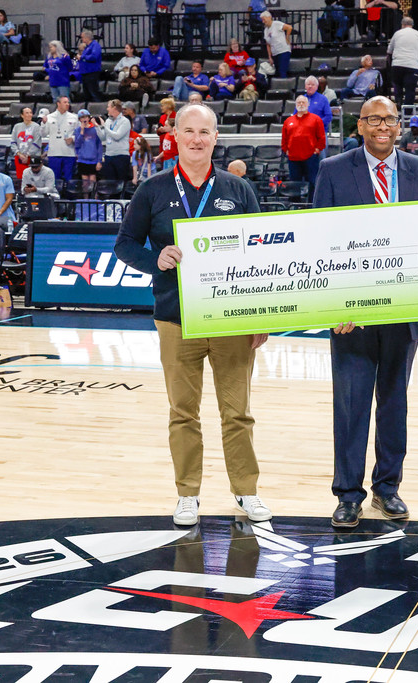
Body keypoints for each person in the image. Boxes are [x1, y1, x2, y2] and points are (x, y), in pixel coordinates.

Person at [114, 103, 269, 527]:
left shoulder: (238, 189)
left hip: (232, 319)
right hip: (175, 317)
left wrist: (261, 317)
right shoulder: (153, 189)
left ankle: (246, 490)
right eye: (189, 131)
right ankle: (187, 494)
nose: (196, 139)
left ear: (216, 137)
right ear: (175, 136)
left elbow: (261, 254)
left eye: (204, 132)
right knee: (183, 413)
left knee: (237, 413)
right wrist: (155, 259)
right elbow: (124, 244)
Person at [311, 96, 418, 528]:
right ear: (360, 126)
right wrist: (333, 305)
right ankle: (348, 494)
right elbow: (318, 239)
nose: (382, 126)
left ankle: (388, 487)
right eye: (373, 119)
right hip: (351, 314)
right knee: (350, 405)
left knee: (394, 404)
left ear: (399, 125)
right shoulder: (333, 170)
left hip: (405, 309)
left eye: (389, 119)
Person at [386, 17, 418, 110]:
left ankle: (398, 102)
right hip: (412, 65)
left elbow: (389, 50)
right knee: (410, 90)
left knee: (397, 86)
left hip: (397, 64)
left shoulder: (397, 34)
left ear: (402, 24)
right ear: (412, 25)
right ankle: (407, 112)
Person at [281, 94, 324, 183]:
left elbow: (321, 137)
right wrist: (286, 150)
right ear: (295, 104)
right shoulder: (288, 121)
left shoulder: (316, 119)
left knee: (312, 182)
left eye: (303, 102)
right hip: (293, 158)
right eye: (299, 102)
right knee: (294, 183)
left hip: (311, 157)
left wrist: (317, 149)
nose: (301, 104)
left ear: (308, 104)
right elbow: (284, 138)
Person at [43, 96, 79, 184]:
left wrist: (73, 139)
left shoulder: (74, 117)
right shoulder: (49, 117)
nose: (67, 104)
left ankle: (69, 193)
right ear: (58, 104)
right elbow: (43, 133)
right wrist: (43, 123)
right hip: (54, 152)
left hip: (69, 153)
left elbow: (79, 134)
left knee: (69, 179)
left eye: (68, 102)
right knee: (55, 179)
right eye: (65, 102)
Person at [98, 99, 132, 182]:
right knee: (110, 182)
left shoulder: (125, 121)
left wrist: (104, 127)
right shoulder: (108, 121)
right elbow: (102, 137)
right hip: (109, 155)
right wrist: (98, 127)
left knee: (121, 182)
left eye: (108, 107)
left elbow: (117, 136)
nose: (107, 109)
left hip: (121, 156)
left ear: (114, 108)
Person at [11, 106, 43, 182]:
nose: (29, 115)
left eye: (30, 113)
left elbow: (37, 142)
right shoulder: (17, 126)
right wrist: (19, 154)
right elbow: (13, 142)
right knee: (21, 179)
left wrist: (27, 155)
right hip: (19, 157)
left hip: (33, 157)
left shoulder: (36, 126)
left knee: (33, 179)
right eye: (27, 113)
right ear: (22, 115)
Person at [74, 108, 103, 190]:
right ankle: (85, 197)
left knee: (93, 182)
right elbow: (77, 144)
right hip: (82, 160)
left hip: (93, 160)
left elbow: (99, 146)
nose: (84, 119)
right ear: (79, 119)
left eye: (86, 117)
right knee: (85, 183)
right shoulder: (77, 130)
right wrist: (82, 132)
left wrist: (99, 161)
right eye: (82, 117)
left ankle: (94, 197)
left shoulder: (94, 130)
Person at [261, 11, 293, 78]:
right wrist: (270, 57)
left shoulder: (276, 24)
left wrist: (287, 38)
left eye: (264, 19)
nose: (263, 21)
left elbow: (289, 27)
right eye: (262, 20)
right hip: (275, 53)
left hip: (283, 51)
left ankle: (284, 84)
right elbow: (268, 44)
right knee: (277, 73)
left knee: (282, 71)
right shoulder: (266, 30)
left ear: (269, 17)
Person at [77, 30, 103, 102]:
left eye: (82, 37)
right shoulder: (87, 47)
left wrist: (82, 57)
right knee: (86, 94)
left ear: (87, 37)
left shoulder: (95, 45)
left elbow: (94, 57)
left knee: (93, 92)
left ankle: (97, 106)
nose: (81, 39)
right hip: (85, 73)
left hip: (91, 72)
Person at [157, 97, 178, 171]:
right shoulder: (162, 117)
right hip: (164, 143)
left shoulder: (176, 116)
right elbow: (158, 131)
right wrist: (160, 130)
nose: (161, 108)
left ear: (167, 106)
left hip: (173, 147)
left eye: (162, 106)